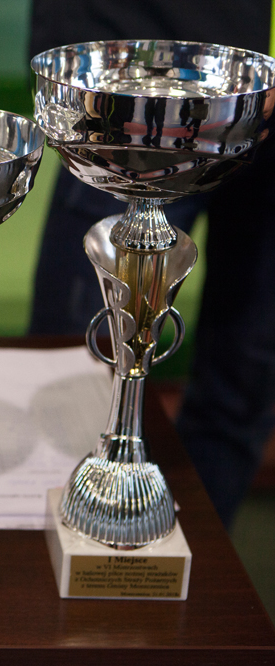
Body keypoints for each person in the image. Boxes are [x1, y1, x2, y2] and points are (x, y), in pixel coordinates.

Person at [28, 0, 275, 528]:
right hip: (131, 77)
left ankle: (192, 553)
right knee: (73, 361)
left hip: (260, 86)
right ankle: (63, 540)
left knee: (244, 381)